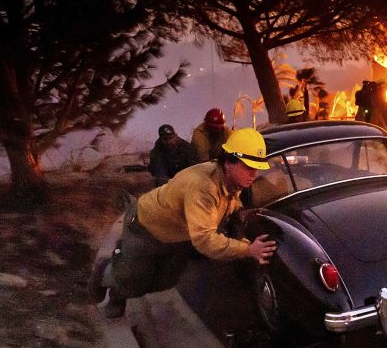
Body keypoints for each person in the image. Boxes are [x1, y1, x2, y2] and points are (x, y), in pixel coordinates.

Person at [92, 128, 278, 318]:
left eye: (257, 168)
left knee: (165, 282)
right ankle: (107, 273)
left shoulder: (230, 178)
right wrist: (247, 250)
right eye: (248, 167)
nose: (254, 174)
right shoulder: (203, 187)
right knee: (132, 279)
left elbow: (229, 200)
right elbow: (204, 240)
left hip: (176, 233)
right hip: (145, 226)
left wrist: (238, 211)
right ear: (229, 162)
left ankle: (122, 270)